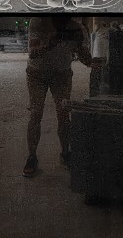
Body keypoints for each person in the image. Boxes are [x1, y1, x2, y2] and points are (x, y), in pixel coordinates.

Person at [23, 16, 92, 177]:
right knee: (36, 113)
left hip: (61, 74)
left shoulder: (77, 28)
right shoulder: (38, 22)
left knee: (63, 114)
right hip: (37, 74)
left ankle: (65, 153)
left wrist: (85, 52)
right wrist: (51, 43)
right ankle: (32, 156)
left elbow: (85, 59)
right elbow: (33, 53)